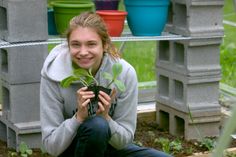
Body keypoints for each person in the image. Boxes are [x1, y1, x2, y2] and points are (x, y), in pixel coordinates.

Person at [40, 11, 172, 157]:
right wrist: (78, 118)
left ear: (104, 45)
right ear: (68, 46)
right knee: (97, 126)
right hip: (72, 151)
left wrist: (106, 117)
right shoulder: (53, 74)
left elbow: (124, 141)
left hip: (110, 147)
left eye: (91, 44)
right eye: (76, 44)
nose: (83, 52)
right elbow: (51, 146)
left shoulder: (124, 73)